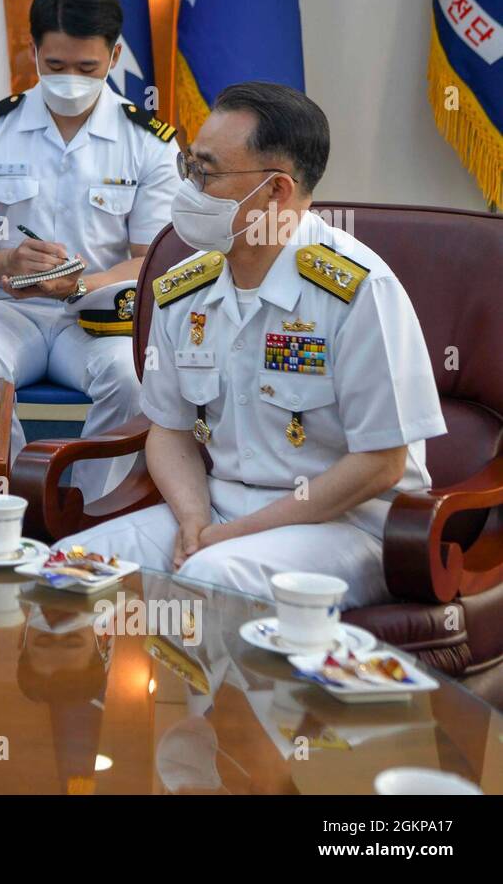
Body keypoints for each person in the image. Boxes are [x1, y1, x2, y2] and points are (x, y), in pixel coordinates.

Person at [52, 82, 447, 609]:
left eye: (206, 173)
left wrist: (235, 535)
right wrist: (194, 520)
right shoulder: (184, 288)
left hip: (349, 526)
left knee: (212, 577)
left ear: (276, 192)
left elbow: (382, 463)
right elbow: (169, 430)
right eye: (189, 168)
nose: (188, 190)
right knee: (65, 569)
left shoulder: (357, 292)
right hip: (214, 509)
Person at [0, 0, 180, 496]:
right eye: (54, 66)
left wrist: (80, 285)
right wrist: (7, 261)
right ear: (32, 52)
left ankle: (95, 513)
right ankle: (10, 502)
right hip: (6, 309)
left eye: (87, 68)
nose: (70, 79)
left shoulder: (148, 142)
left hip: (100, 316)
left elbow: (153, 261)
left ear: (115, 56)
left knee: (137, 377)